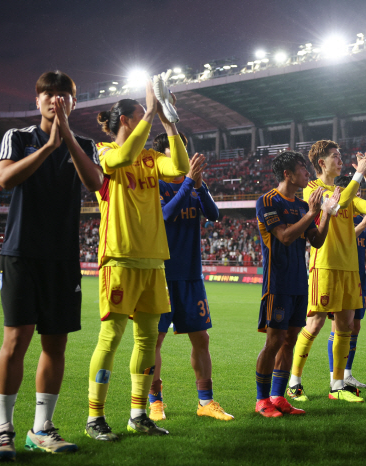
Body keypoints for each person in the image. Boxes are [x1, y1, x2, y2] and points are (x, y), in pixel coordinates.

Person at [0, 71, 103, 461]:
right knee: (16, 340)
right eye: (49, 95)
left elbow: (96, 183)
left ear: (73, 103)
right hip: (21, 253)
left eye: (64, 96)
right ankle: (3, 430)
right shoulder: (18, 138)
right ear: (37, 100)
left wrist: (66, 139)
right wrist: (48, 145)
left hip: (62, 259)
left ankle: (41, 429)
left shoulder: (85, 144)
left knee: (56, 343)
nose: (56, 101)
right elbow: (4, 179)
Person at [85, 81, 189, 441]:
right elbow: (122, 158)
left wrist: (169, 121)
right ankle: (94, 417)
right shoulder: (104, 150)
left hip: (153, 261)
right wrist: (150, 112)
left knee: (147, 340)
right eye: (141, 117)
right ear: (127, 120)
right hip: (120, 259)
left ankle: (137, 414)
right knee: (111, 336)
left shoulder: (150, 157)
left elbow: (180, 168)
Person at [146, 133, 233, 422]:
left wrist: (199, 184)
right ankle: (155, 402)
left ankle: (206, 401)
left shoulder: (194, 188)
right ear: (162, 156)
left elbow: (214, 213)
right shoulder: (154, 185)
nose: (185, 154)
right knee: (154, 341)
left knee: (201, 339)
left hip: (191, 276)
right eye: (178, 149)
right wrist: (187, 184)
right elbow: (164, 216)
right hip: (161, 274)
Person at [288, 141, 366, 403]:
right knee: (315, 324)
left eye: (341, 156)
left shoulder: (344, 190)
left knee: (346, 326)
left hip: (350, 266)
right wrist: (359, 175)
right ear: (321, 163)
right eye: (335, 156)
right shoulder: (312, 189)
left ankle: (337, 384)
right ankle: (294, 382)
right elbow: (335, 204)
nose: (340, 160)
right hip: (324, 265)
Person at [254, 151, 335, 417]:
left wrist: (325, 215)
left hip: (300, 282)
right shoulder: (267, 201)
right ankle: (262, 399)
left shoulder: (302, 206)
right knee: (274, 340)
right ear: (287, 173)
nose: (308, 173)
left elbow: (318, 241)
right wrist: (312, 212)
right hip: (277, 282)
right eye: (303, 168)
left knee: (290, 339)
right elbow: (286, 237)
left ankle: (279, 397)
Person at [326, 176, 366, 389]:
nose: (358, 196)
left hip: (358, 277)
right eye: (355, 192)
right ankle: (334, 376)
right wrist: (365, 222)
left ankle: (347, 373)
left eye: (360, 193)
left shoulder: (359, 217)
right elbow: (343, 239)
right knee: (337, 325)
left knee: (354, 326)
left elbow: (363, 249)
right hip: (339, 275)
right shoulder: (340, 215)